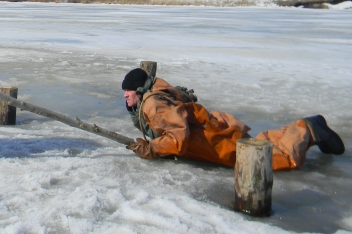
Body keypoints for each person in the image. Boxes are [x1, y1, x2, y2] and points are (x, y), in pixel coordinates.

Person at [121, 68, 344, 170]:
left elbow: (178, 137)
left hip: (211, 142)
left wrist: (152, 149)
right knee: (258, 145)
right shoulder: (153, 97)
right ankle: (298, 130)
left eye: (128, 91)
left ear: (139, 90)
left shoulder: (152, 104)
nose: (125, 95)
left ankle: (307, 129)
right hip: (212, 133)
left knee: (268, 160)